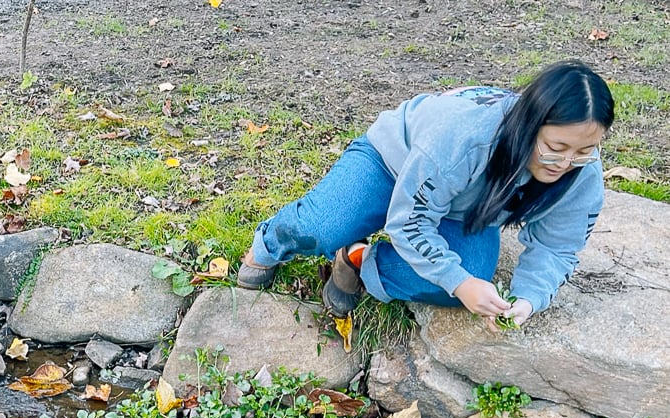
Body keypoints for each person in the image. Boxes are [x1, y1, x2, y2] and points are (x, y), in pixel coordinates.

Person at [237, 60, 614, 327]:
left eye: (584, 151)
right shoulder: (464, 137)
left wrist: (529, 298)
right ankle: (268, 244)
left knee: (467, 280)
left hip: (461, 208)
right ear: (531, 124)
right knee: (321, 227)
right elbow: (410, 222)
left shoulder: (583, 172)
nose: (565, 163)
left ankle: (357, 260)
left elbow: (558, 247)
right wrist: (460, 281)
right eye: (555, 147)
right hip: (390, 164)